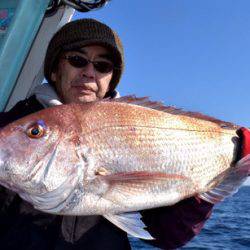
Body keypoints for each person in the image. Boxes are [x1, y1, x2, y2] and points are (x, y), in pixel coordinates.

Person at [0, 18, 213, 250]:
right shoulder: (8, 132)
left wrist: (209, 189)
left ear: (111, 80)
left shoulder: (137, 128)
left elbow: (168, 235)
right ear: (53, 69)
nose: (89, 72)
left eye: (103, 66)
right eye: (77, 60)